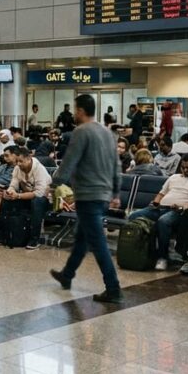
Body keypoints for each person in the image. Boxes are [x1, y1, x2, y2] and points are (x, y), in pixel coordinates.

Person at [49, 94, 123, 303]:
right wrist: (116, 192)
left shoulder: (81, 132)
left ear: (80, 110)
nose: (74, 113)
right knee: (82, 237)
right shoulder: (107, 133)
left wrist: (55, 183)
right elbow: (116, 165)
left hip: (88, 195)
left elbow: (69, 161)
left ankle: (113, 288)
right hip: (103, 195)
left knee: (98, 243)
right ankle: (67, 274)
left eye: (75, 109)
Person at [127, 154, 188, 271]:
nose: (185, 170)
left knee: (163, 222)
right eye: (183, 167)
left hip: (179, 212)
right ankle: (144, 251)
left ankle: (162, 257)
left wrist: (182, 208)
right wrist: (155, 202)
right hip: (160, 208)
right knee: (134, 216)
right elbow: (161, 193)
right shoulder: (174, 177)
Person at [0, 148, 51, 250]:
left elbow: (39, 193)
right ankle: (4, 234)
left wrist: (18, 196)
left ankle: (34, 239)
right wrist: (10, 192)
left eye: (21, 161)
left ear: (29, 158)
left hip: (45, 200)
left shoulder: (40, 169)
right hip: (26, 196)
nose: (18, 164)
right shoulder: (17, 168)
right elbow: (13, 185)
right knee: (5, 200)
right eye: (17, 161)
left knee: (37, 202)